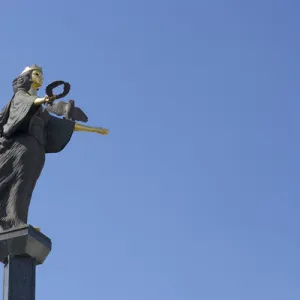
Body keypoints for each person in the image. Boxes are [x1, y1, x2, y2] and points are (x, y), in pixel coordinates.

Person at [0, 65, 108, 231]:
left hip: (36, 150)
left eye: (42, 75)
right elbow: (27, 102)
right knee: (19, 182)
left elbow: (62, 125)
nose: (41, 77)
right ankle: (14, 222)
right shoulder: (20, 96)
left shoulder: (41, 109)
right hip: (20, 147)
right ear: (27, 77)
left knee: (25, 186)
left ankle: (16, 220)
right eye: (37, 74)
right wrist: (43, 100)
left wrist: (94, 130)